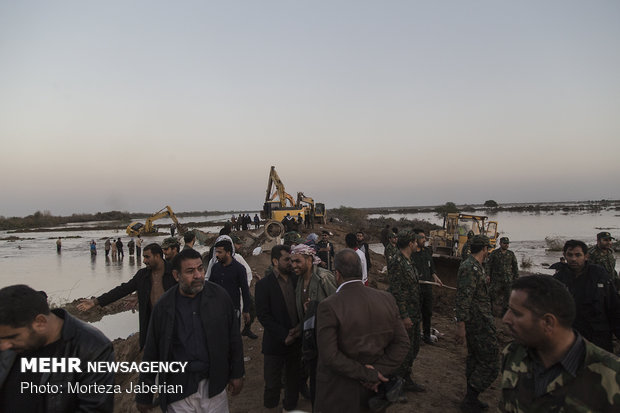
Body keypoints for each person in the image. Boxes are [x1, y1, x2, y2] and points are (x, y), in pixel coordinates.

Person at [136, 248, 245, 413]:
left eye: (200, 268)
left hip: (213, 386)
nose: (198, 275)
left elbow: (234, 338)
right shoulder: (164, 306)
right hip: (179, 390)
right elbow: (152, 351)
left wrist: (237, 373)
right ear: (176, 275)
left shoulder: (219, 297)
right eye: (190, 271)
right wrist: (144, 394)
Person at [500, 274, 620, 412]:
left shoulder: (612, 377)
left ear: (548, 322)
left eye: (516, 313)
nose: (505, 319)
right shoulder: (513, 354)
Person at [315, 249, 410, 413]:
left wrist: (367, 374)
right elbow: (402, 343)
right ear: (360, 271)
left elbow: (329, 356)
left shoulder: (329, 306)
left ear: (337, 274)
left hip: (340, 393)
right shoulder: (386, 298)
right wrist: (378, 371)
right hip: (374, 392)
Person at [0, 285, 114, 412]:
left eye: (12, 337)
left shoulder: (91, 347)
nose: (4, 346)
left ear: (40, 322)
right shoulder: (7, 341)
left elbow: (94, 409)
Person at [77, 243, 176, 349]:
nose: (144, 261)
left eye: (147, 257)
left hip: (173, 324)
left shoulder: (174, 272)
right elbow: (122, 290)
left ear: (157, 256)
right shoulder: (142, 275)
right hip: (150, 326)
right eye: (143, 257)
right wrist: (95, 302)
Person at [255, 245, 302, 412]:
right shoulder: (264, 286)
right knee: (273, 383)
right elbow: (263, 316)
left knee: (293, 380)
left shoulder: (298, 279)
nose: (291, 263)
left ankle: (290, 407)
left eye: (291, 259)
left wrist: (298, 329)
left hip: (297, 340)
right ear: (275, 261)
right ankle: (271, 407)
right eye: (286, 259)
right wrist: (283, 335)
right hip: (275, 343)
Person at [455, 235, 498, 412]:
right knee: (492, 361)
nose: (488, 252)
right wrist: (461, 327)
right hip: (477, 322)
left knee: (475, 359)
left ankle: (471, 399)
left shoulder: (476, 267)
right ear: (484, 249)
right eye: (488, 249)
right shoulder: (470, 268)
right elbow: (463, 299)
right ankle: (471, 396)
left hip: (480, 319)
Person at [553, 239, 620, 353]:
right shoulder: (558, 280)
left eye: (578, 255)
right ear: (564, 256)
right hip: (571, 336)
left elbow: (613, 306)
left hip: (599, 335)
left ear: (586, 256)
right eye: (570, 255)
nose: (574, 259)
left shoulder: (599, 274)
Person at [291, 243, 337, 405]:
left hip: (325, 338)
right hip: (309, 336)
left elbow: (337, 308)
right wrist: (298, 328)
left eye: (297, 261)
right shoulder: (299, 280)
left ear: (309, 260)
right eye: (292, 262)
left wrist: (317, 311)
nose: (294, 265)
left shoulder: (324, 278)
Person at [387, 230, 425, 394]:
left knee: (414, 347)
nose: (417, 244)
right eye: (416, 242)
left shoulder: (409, 261)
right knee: (404, 349)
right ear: (410, 243)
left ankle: (406, 378)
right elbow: (397, 291)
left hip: (414, 312)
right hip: (406, 315)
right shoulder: (397, 262)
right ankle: (395, 384)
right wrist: (404, 316)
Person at [208, 239, 252, 336]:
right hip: (217, 309)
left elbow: (245, 290)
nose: (217, 255)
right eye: (216, 252)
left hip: (233, 308)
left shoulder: (239, 269)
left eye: (220, 252)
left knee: (233, 336)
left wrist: (246, 310)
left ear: (228, 253)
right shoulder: (215, 268)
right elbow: (210, 288)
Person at [411, 229, 443, 344]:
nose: (424, 240)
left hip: (427, 288)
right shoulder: (412, 254)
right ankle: (416, 335)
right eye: (422, 238)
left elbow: (431, 267)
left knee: (427, 312)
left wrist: (435, 277)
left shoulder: (426, 252)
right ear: (415, 239)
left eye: (425, 238)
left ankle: (426, 335)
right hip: (417, 289)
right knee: (416, 313)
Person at [230, 235, 259, 339]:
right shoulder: (233, 256)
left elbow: (244, 269)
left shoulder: (238, 255)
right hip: (235, 290)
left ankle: (247, 329)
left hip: (242, 288)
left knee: (252, 307)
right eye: (238, 244)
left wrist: (252, 274)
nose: (240, 246)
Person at [486, 236, 519, 316]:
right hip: (496, 279)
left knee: (507, 296)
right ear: (500, 243)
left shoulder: (511, 254)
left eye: (507, 244)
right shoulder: (494, 253)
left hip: (508, 279)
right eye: (504, 243)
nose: (506, 245)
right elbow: (488, 264)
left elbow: (515, 266)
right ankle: (490, 311)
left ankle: (504, 313)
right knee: (491, 294)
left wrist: (516, 277)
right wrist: (487, 275)